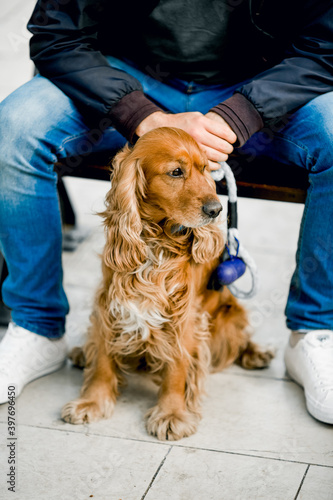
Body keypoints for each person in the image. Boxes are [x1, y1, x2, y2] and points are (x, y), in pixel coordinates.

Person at [0, 0, 332, 424]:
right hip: (122, 75)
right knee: (14, 129)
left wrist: (241, 112)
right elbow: (56, 34)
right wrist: (139, 113)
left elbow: (326, 47)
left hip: (261, 79)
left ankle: (315, 330)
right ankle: (37, 324)